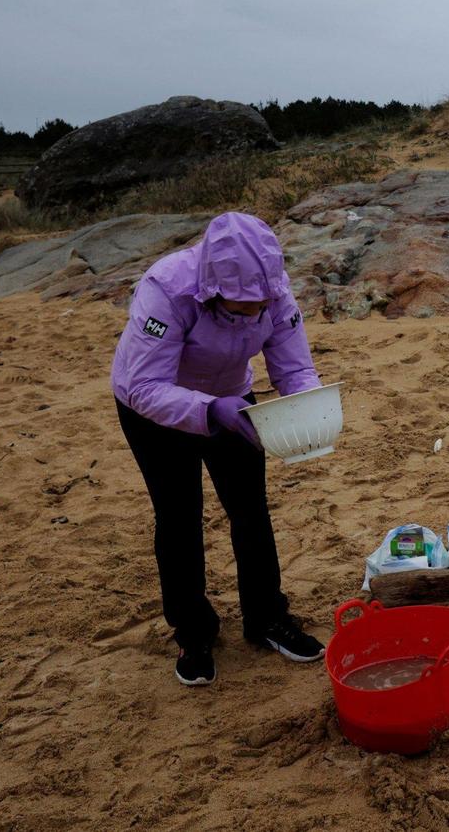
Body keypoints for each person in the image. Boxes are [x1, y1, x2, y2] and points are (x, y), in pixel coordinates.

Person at [111, 211, 325, 685]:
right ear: (213, 285)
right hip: (151, 407)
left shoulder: (275, 290)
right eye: (240, 304)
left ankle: (267, 616)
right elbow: (145, 384)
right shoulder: (167, 289)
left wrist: (308, 404)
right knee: (179, 514)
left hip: (232, 398)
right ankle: (193, 630)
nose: (253, 312)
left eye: (259, 302)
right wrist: (210, 411)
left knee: (250, 507)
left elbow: (293, 365)